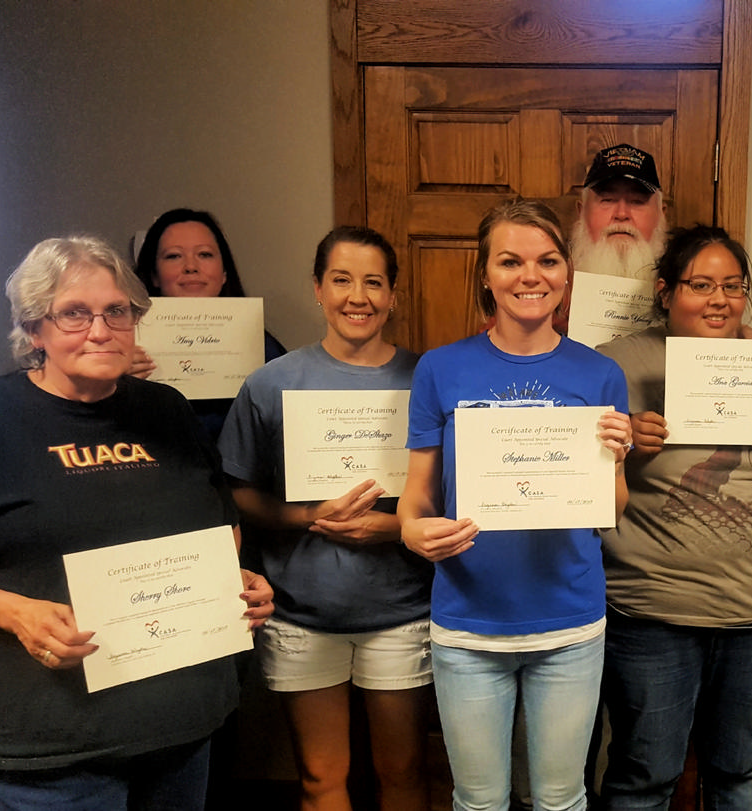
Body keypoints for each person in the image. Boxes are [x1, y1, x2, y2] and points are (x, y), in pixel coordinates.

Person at [0, 236, 274, 809]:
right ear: (33, 328)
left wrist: (238, 581)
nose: (101, 329)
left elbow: (217, 524)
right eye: (74, 313)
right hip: (52, 741)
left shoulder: (165, 408)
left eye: (117, 311)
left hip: (180, 725)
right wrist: (17, 613)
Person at [398, 198, 633, 811]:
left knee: (560, 798)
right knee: (478, 802)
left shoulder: (602, 373)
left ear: (566, 273)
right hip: (468, 623)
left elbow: (612, 507)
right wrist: (411, 532)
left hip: (570, 621)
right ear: (485, 274)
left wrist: (619, 454)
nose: (531, 276)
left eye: (547, 260)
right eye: (510, 261)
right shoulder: (439, 370)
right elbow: (417, 495)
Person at [595, 224, 752, 811]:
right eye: (701, 284)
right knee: (644, 774)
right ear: (666, 290)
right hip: (653, 607)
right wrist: (630, 450)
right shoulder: (615, 364)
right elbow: (578, 487)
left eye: (732, 286)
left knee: (739, 773)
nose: (719, 299)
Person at [218, 226, 433, 811]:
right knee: (318, 777)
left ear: (393, 295)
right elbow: (238, 491)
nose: (356, 296)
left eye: (373, 282)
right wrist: (308, 514)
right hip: (301, 611)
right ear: (318, 288)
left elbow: (457, 494)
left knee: (406, 772)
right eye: (341, 279)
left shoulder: (428, 379)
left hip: (400, 607)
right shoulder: (271, 383)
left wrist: (390, 527)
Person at [131, 207, 287, 437]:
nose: (191, 267)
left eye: (204, 254)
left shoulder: (262, 347)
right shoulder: (121, 345)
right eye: (174, 256)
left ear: (224, 272)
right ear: (154, 274)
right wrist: (114, 387)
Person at [571, 143, 668, 280]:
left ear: (661, 214)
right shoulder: (552, 283)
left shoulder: (685, 285)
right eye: (607, 200)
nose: (621, 214)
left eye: (637, 201)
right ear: (581, 212)